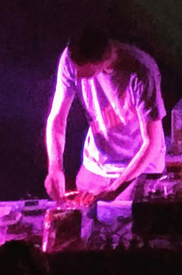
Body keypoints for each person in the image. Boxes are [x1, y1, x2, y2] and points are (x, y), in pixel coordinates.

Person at [44, 28, 166, 205]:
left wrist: (114, 189)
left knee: (126, 219)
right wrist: (55, 167)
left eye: (82, 71)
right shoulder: (70, 60)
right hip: (97, 165)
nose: (75, 76)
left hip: (140, 167)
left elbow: (152, 142)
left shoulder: (141, 71)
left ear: (101, 61)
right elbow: (57, 118)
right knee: (82, 217)